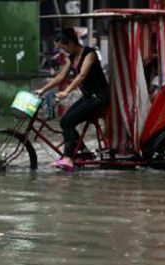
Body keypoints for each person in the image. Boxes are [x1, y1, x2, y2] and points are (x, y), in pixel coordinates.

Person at [35, 28, 109, 170]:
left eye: (64, 47)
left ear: (71, 43)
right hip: (88, 96)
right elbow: (61, 77)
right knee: (64, 121)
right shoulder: (71, 57)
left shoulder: (90, 54)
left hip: (99, 97)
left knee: (68, 121)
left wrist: (67, 91)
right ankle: (84, 152)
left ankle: (68, 158)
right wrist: (43, 89)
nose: (65, 51)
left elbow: (81, 75)